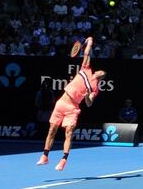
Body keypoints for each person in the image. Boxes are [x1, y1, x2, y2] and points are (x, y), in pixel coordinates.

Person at [37, 37, 107, 171]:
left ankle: (63, 160)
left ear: (102, 77)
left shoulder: (95, 88)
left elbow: (89, 103)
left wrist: (87, 96)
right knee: (52, 130)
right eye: (100, 71)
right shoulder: (86, 69)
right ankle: (45, 156)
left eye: (103, 73)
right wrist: (90, 42)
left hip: (73, 108)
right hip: (61, 102)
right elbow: (87, 53)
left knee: (69, 133)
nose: (100, 71)